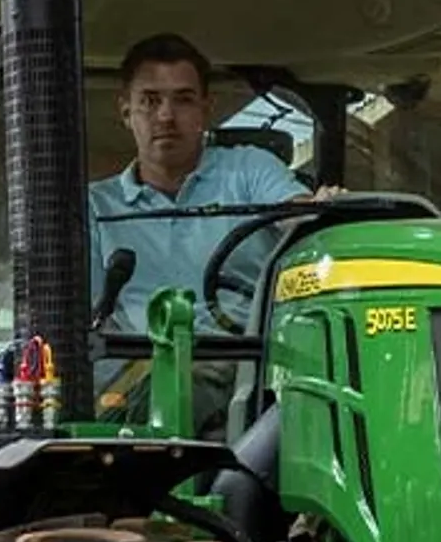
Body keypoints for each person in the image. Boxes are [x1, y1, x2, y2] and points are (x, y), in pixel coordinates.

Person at [89, 34, 307, 427]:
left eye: (183, 99)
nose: (166, 116)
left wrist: (318, 208)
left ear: (207, 109)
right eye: (150, 101)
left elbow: (297, 214)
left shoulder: (249, 170)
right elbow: (84, 318)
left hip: (247, 361)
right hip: (141, 371)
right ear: (126, 112)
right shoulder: (94, 208)